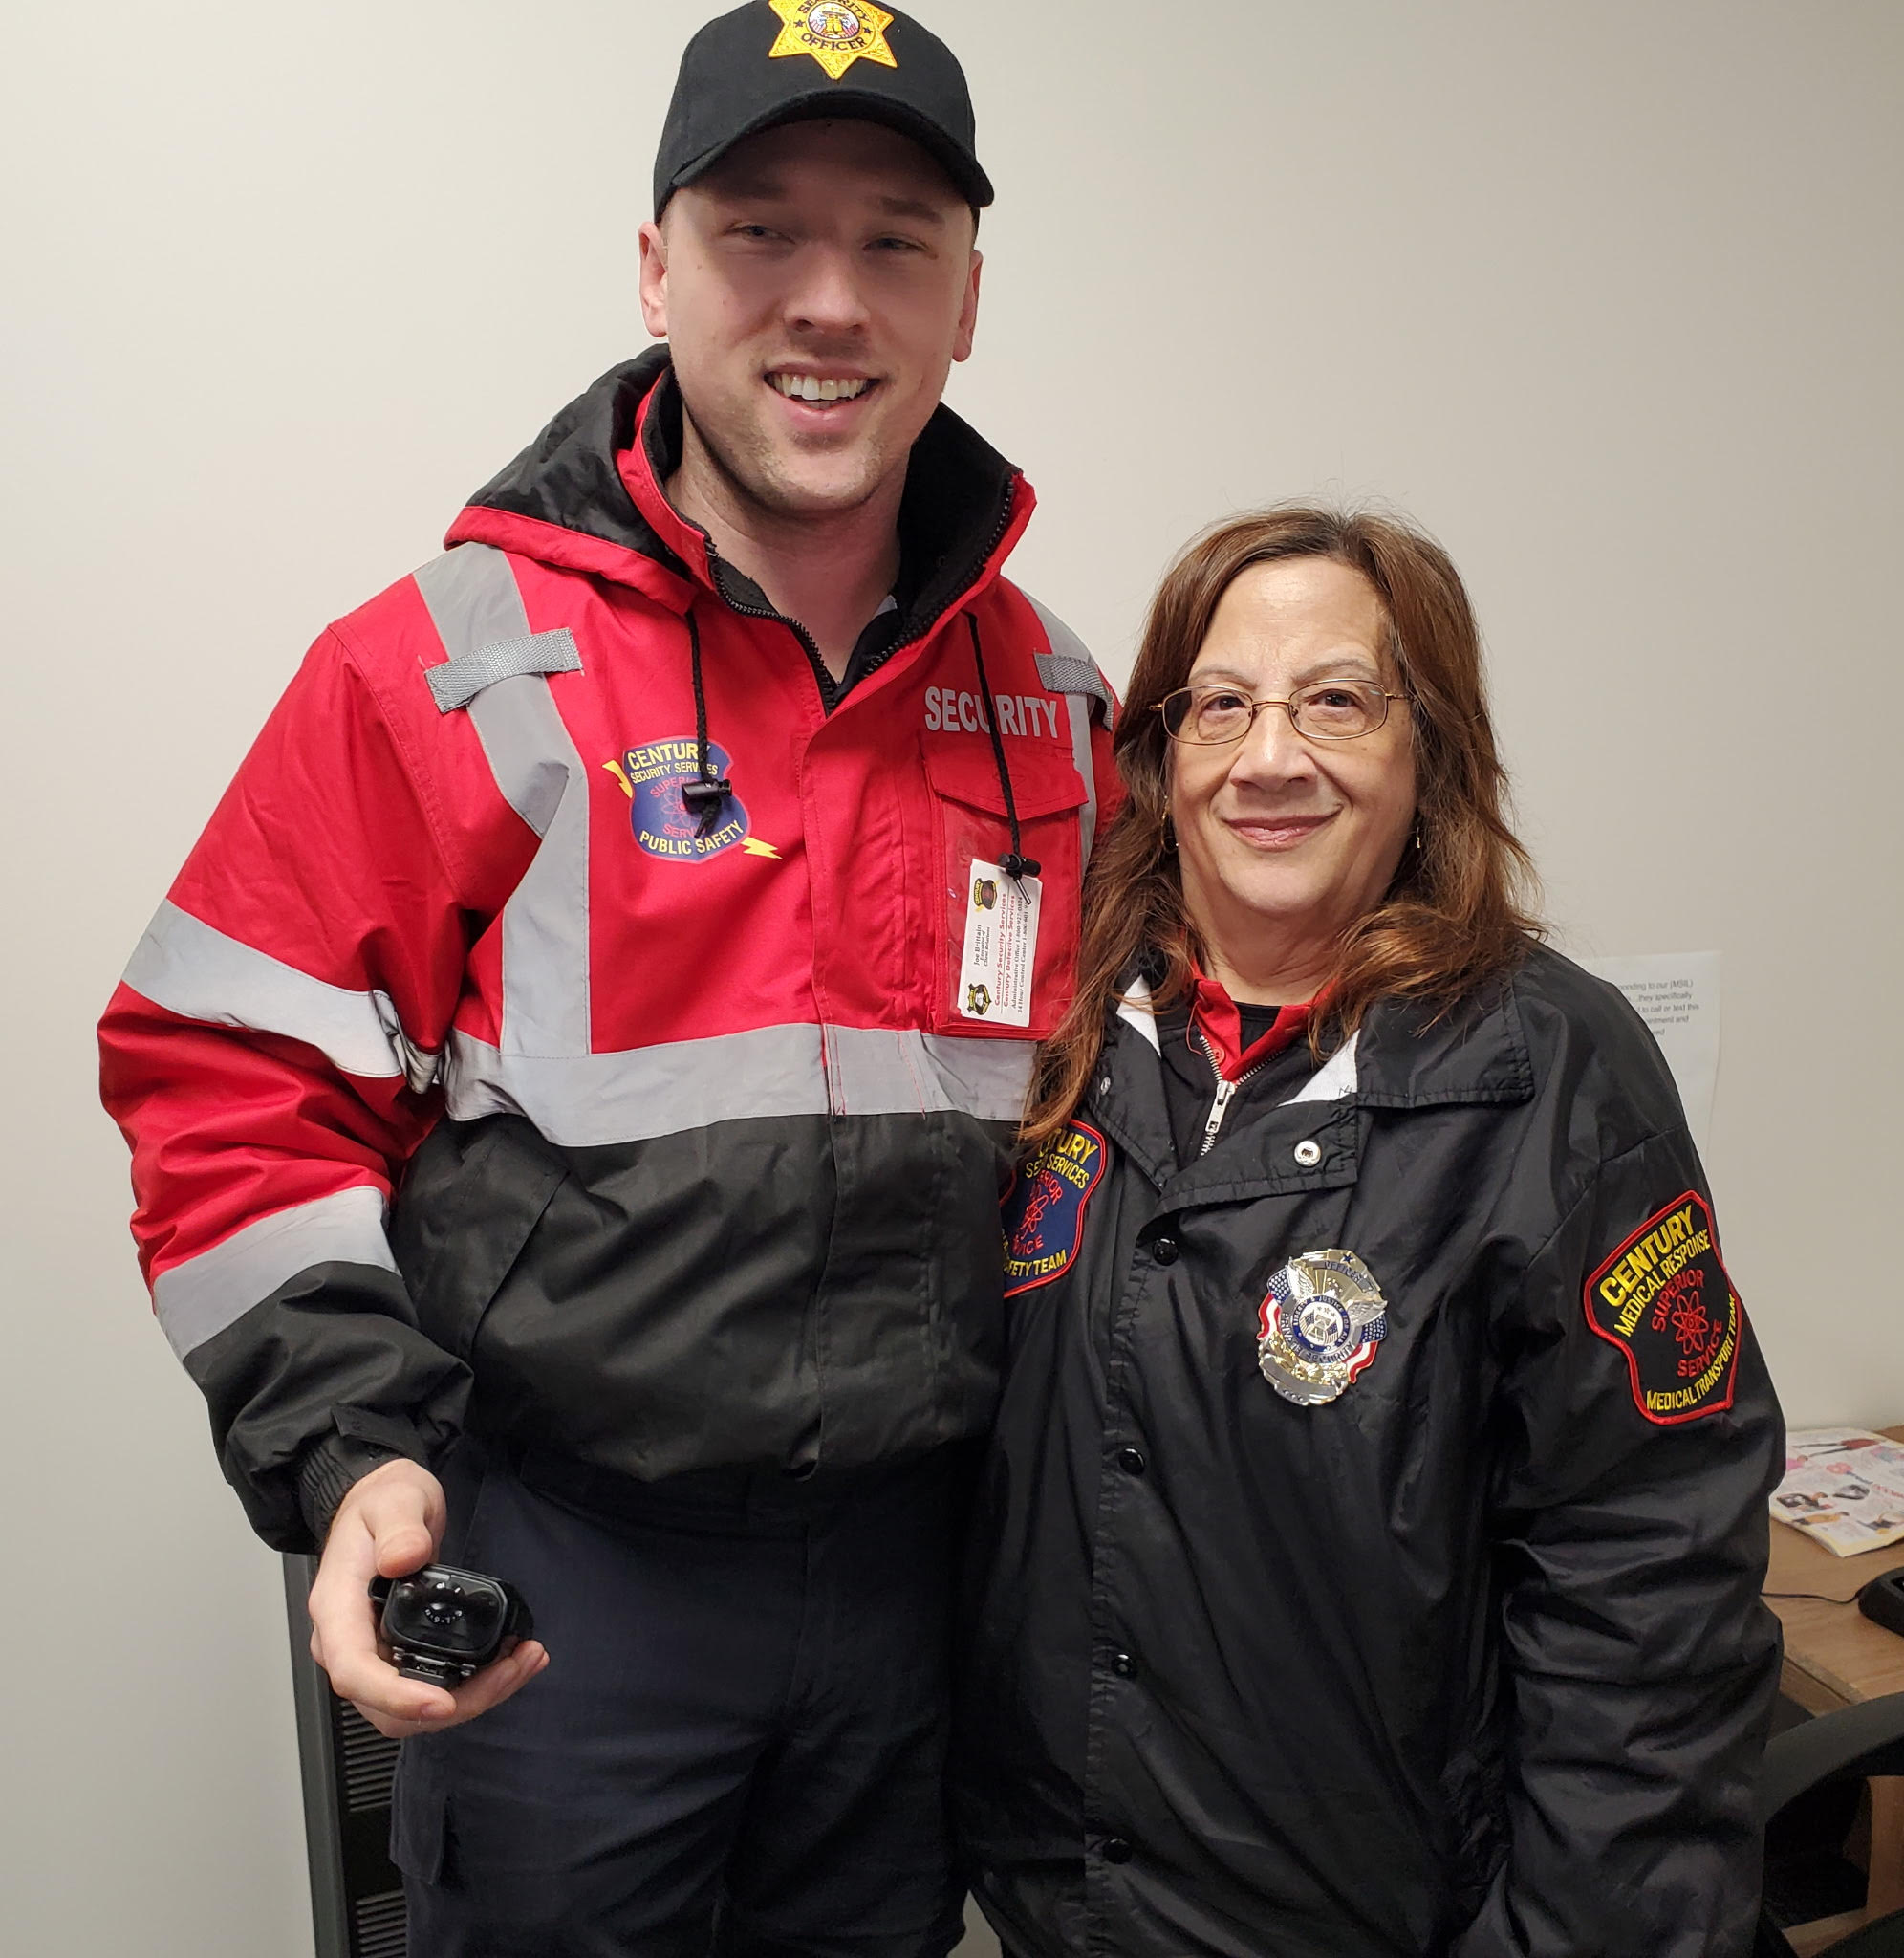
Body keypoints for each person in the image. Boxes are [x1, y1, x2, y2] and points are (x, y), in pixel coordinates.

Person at [97, 4, 1116, 1951]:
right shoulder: (449, 665)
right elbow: (228, 1080)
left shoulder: (1054, 701)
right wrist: (354, 1445)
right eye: (760, 230)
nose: (829, 299)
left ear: (968, 300)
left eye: (895, 240)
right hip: (577, 1585)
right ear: (655, 269)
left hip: (922, 1589)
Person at [953, 507, 1784, 1957]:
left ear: (1430, 751)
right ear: (1160, 752)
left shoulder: (1551, 1073)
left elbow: (1651, 1587)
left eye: (1336, 701)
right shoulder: (1048, 1029)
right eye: (1222, 705)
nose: (1270, 757)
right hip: (1056, 1903)